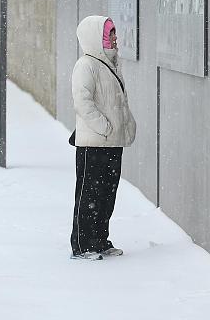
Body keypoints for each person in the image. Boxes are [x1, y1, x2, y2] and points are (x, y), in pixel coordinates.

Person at [68, 15, 137, 261]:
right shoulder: (86, 65)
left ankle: (99, 240)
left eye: (115, 33)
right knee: (89, 195)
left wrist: (125, 126)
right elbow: (82, 102)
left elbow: (117, 102)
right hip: (93, 143)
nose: (115, 38)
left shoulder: (111, 64)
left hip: (112, 142)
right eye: (110, 34)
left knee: (107, 194)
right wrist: (105, 127)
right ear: (97, 38)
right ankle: (82, 245)